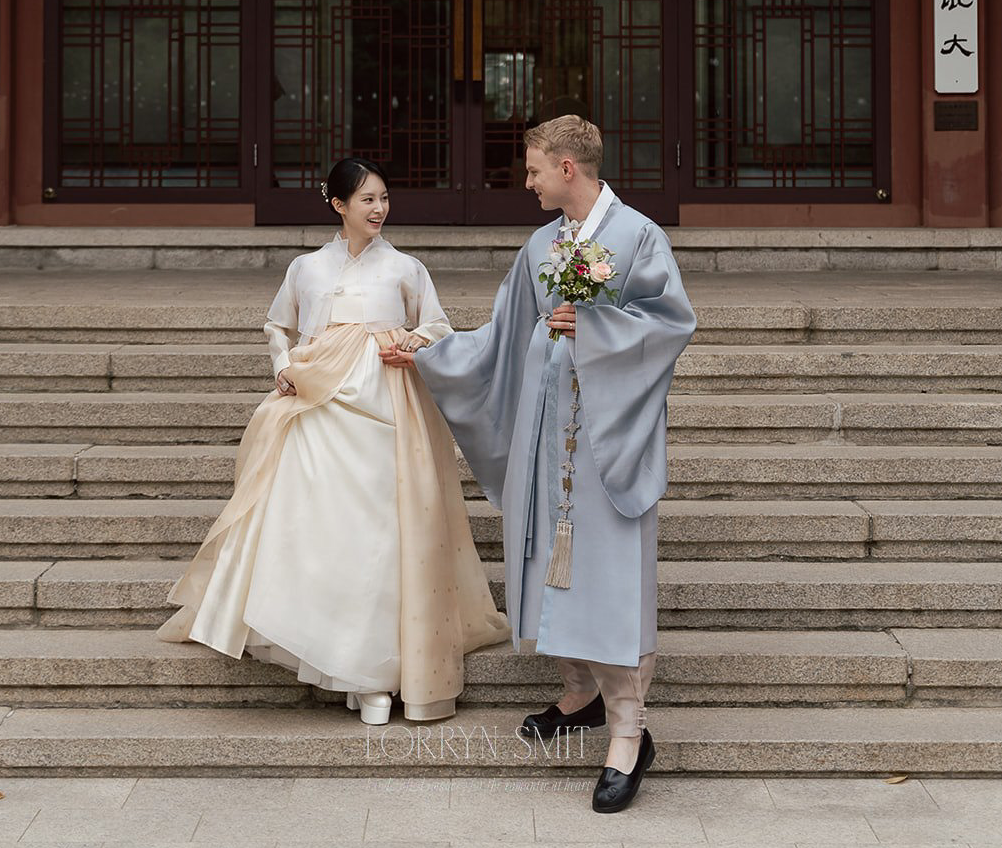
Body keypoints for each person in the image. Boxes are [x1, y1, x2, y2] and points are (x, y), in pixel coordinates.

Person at [382, 115, 696, 812]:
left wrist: (596, 325)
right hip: (543, 436)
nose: (523, 182)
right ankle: (581, 694)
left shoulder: (637, 235)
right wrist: (429, 355)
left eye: (530, 170)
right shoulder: (540, 245)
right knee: (542, 569)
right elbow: (502, 334)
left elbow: (671, 322)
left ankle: (627, 733)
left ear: (565, 169)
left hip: (605, 443)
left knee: (605, 583)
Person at [158, 157, 509, 724]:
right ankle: (340, 665)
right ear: (339, 205)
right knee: (324, 531)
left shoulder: (405, 268)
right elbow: (279, 325)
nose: (379, 209)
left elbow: (439, 327)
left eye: (385, 198)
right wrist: (282, 364)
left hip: (385, 404)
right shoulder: (306, 268)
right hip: (317, 407)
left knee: (381, 536)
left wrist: (409, 342)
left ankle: (378, 670)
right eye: (367, 199)